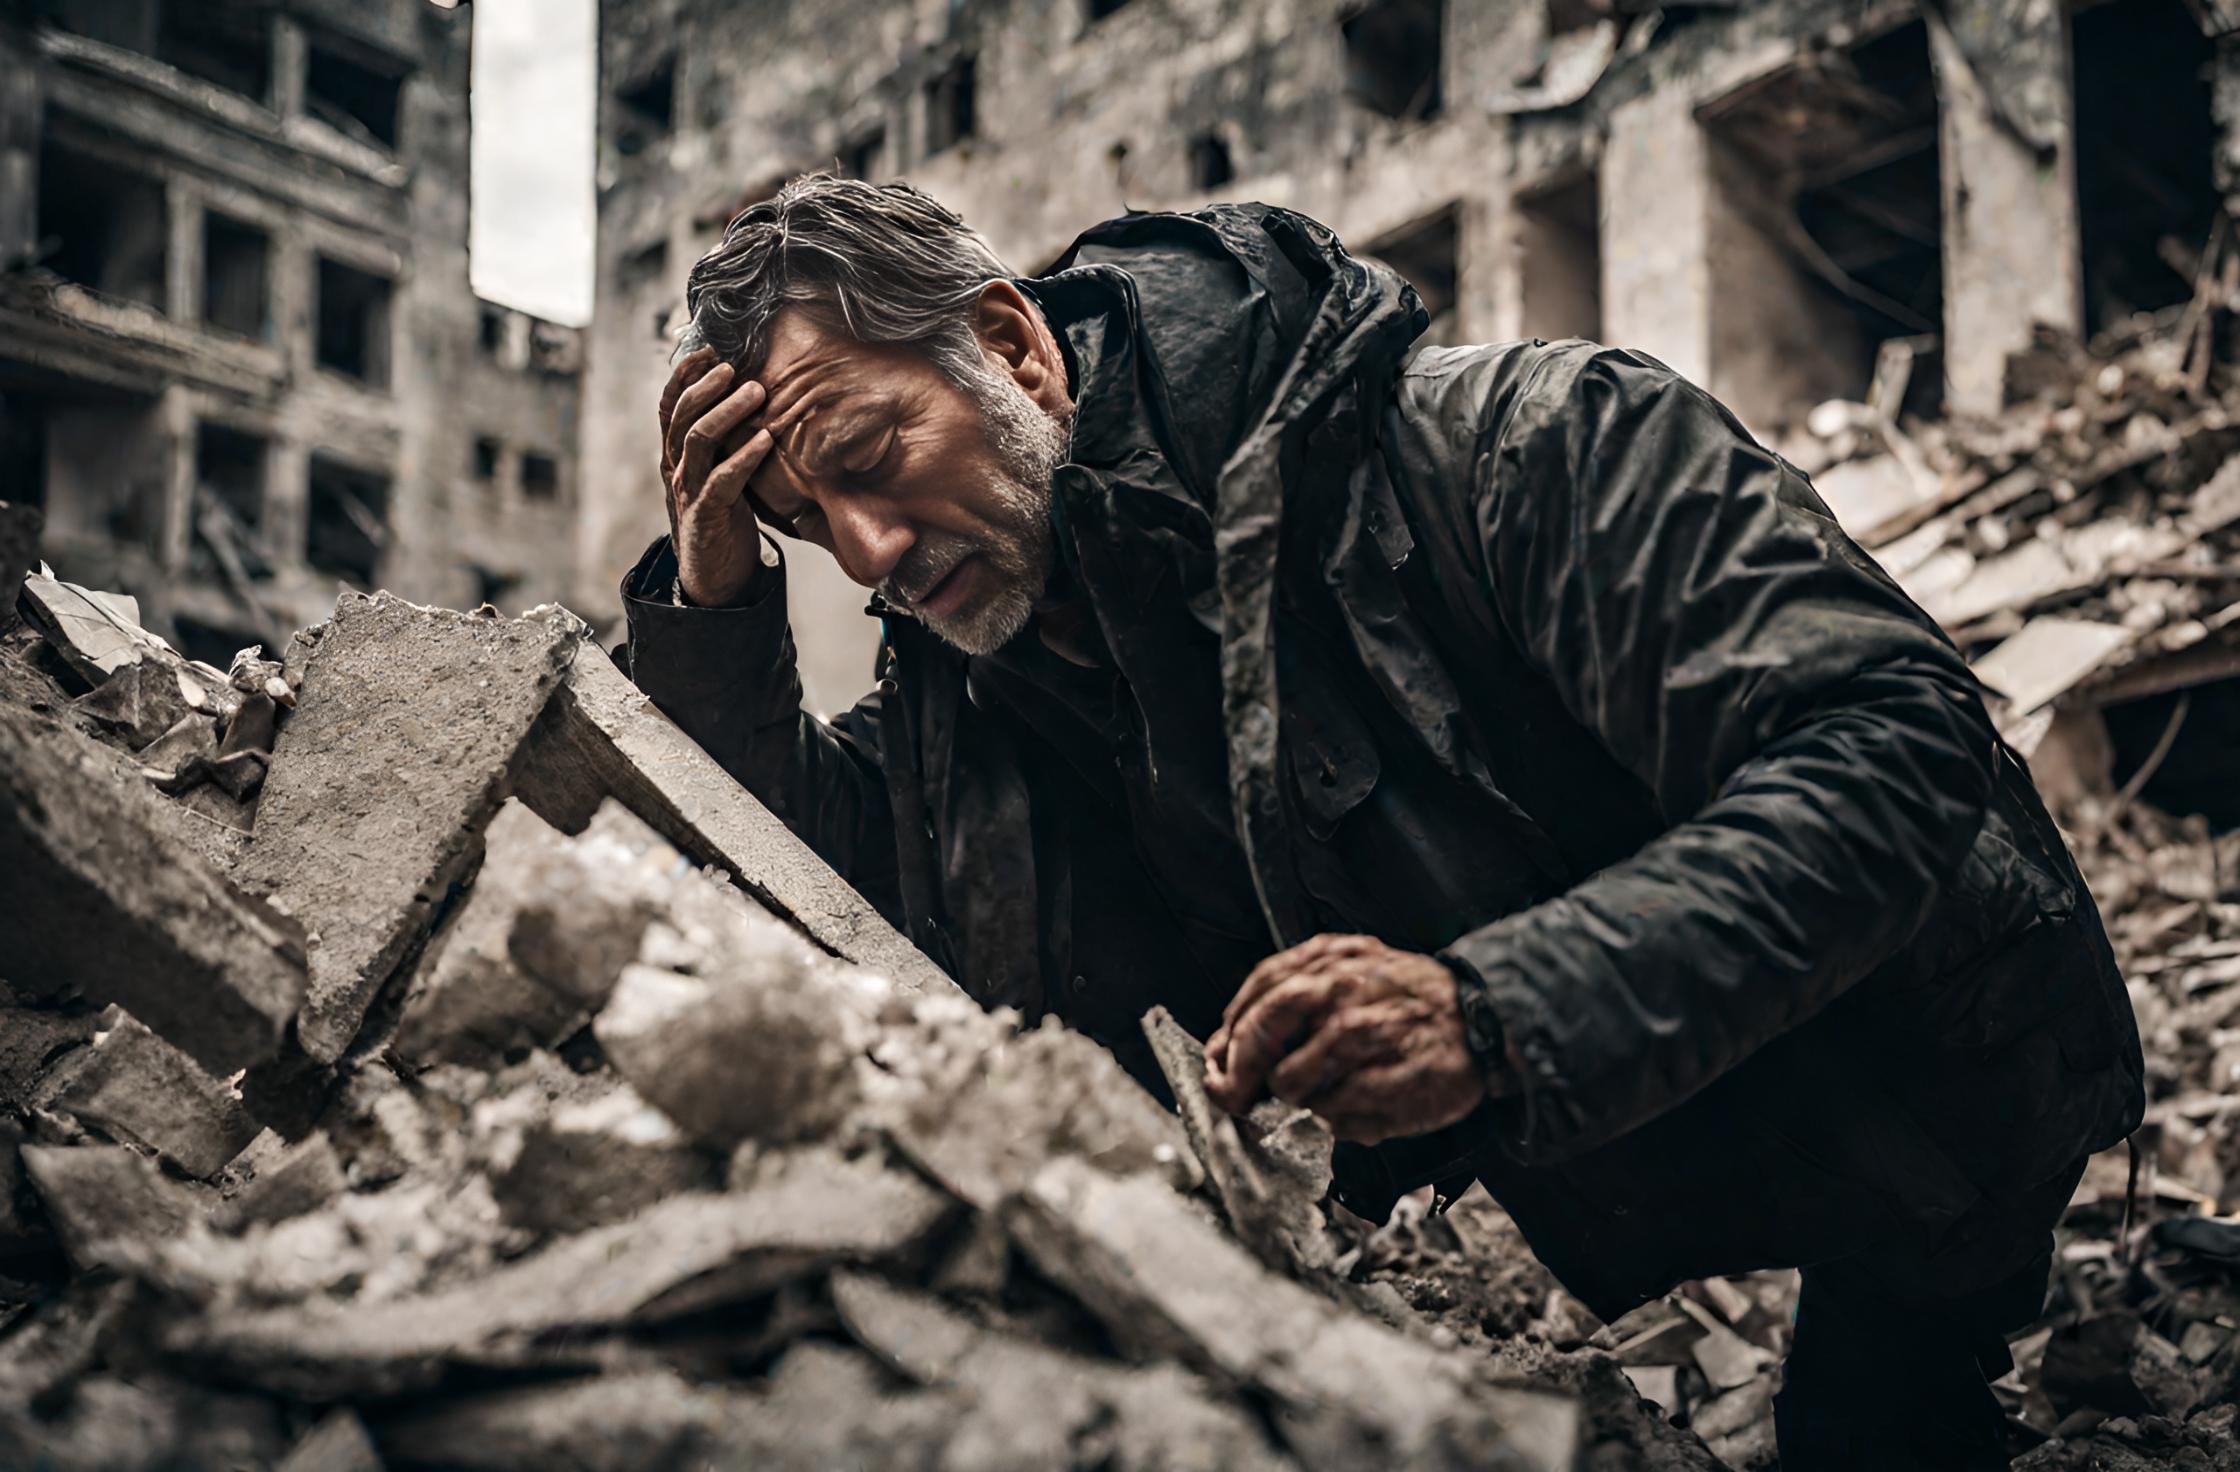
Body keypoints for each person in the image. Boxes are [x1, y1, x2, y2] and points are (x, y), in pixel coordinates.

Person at [623, 174, 2143, 1468]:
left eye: (872, 464)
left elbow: (1891, 748)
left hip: (1921, 1082)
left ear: (1014, 350)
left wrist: (1492, 1015)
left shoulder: (1525, 450)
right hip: (1615, 1173)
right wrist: (715, 601)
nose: (869, 553)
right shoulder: (1005, 667)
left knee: (1890, 1404)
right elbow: (828, 904)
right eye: (810, 526)